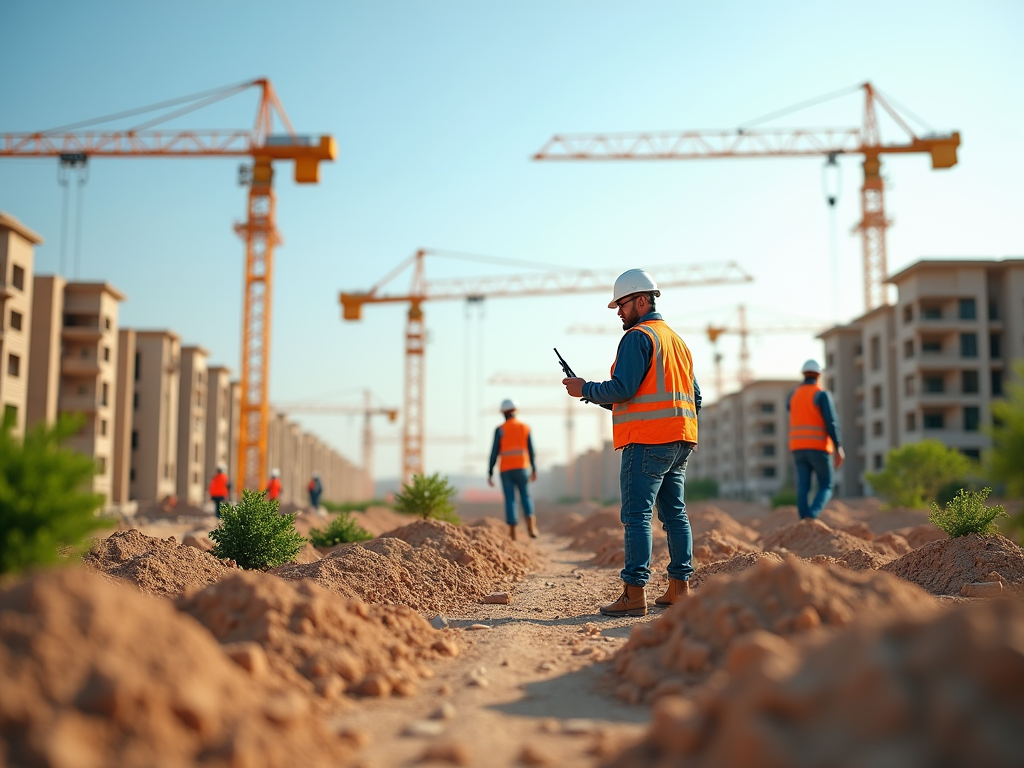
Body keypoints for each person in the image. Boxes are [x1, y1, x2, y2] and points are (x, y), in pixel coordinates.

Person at [562, 268, 701, 617]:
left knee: (637, 516)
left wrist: (585, 389)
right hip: (681, 439)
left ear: (642, 300)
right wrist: (600, 397)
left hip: (647, 441)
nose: (619, 313)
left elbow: (623, 388)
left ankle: (634, 593)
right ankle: (679, 589)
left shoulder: (638, 337)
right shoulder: (676, 341)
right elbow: (694, 396)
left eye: (622, 305)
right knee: (675, 515)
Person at [788, 359, 845, 519]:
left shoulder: (793, 395)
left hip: (798, 447)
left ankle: (803, 520)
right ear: (819, 375)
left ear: (803, 374)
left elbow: (790, 408)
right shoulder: (821, 394)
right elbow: (831, 422)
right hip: (818, 447)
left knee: (803, 487)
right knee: (826, 485)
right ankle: (811, 517)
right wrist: (838, 447)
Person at [487, 398, 538, 541]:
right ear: (516, 411)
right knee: (525, 496)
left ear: (503, 413)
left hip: (506, 470)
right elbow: (531, 450)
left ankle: (513, 533)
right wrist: (534, 469)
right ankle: (531, 527)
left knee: (510, 499)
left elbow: (494, 452)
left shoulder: (500, 430)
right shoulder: (525, 427)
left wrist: (490, 472)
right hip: (522, 467)